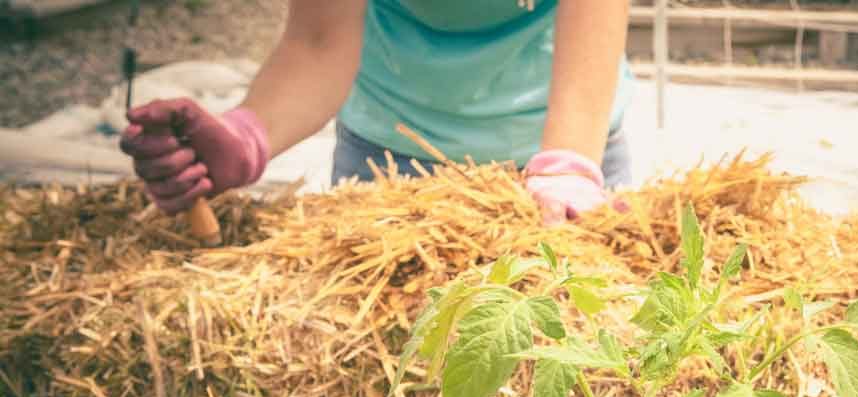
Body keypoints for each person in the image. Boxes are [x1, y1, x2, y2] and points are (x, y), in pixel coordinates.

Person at [118, 1, 634, 224]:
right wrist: (249, 133)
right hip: (391, 164)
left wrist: (569, 165)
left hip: (570, 154)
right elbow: (319, 42)